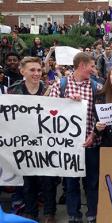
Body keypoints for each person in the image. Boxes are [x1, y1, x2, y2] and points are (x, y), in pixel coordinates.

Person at [49, 52, 99, 223]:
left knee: (91, 182)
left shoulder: (96, 87)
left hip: (90, 143)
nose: (94, 69)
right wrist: (67, 103)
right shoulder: (60, 85)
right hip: (68, 146)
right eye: (91, 66)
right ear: (82, 65)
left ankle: (92, 215)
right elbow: (50, 112)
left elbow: (99, 116)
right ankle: (73, 216)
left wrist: (93, 134)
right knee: (71, 183)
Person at [7, 57, 56, 223]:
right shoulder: (13, 91)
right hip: (23, 144)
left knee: (48, 179)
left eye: (38, 70)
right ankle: (30, 212)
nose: (36, 73)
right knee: (27, 181)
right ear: (22, 71)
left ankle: (49, 213)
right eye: (32, 70)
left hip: (45, 143)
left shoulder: (49, 90)